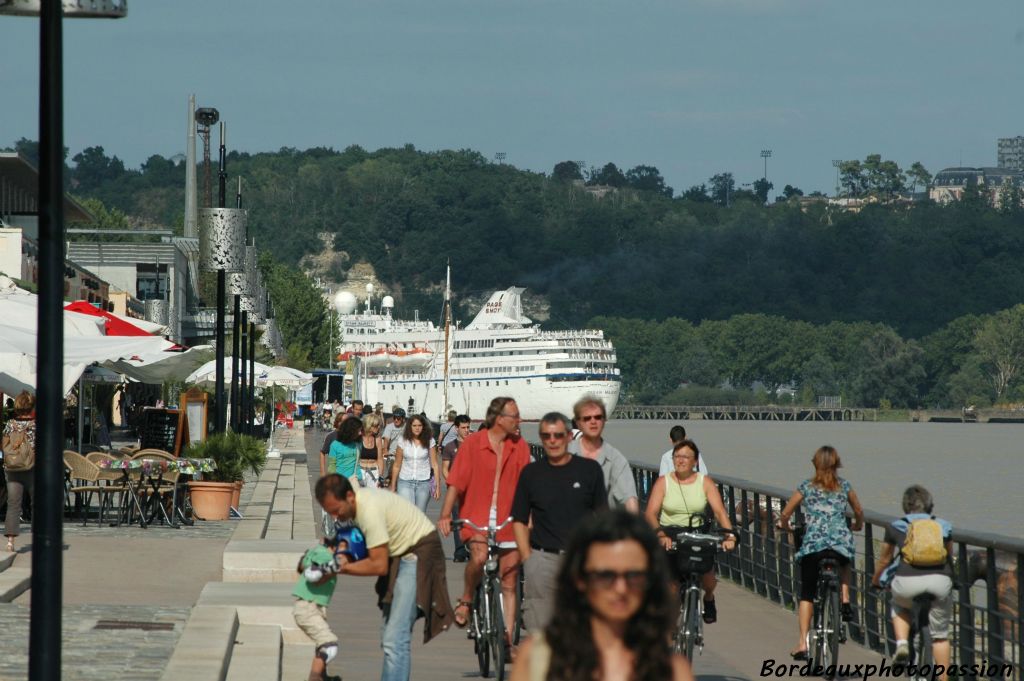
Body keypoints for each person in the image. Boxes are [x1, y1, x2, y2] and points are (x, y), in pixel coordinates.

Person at [510, 509, 694, 681]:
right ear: (580, 579)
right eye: (606, 576)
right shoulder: (536, 659)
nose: (621, 588)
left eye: (633, 576)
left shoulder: (672, 671)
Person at [315, 474, 454, 681]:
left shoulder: (369, 510)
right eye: (330, 512)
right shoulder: (358, 505)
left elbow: (378, 565)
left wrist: (338, 568)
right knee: (389, 634)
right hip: (399, 555)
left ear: (350, 496)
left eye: (336, 510)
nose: (336, 517)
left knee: (395, 638)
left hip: (418, 553)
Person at [437, 397, 530, 645]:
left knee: (510, 578)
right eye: (515, 416)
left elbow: (527, 485)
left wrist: (531, 517)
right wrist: (445, 514)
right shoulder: (473, 445)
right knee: (478, 558)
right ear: (499, 419)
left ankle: (508, 639)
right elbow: (456, 481)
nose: (519, 421)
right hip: (476, 514)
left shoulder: (520, 446)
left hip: (509, 518)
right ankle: (467, 599)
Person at [512, 412, 607, 631]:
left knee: (581, 629)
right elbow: (518, 519)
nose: (552, 441)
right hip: (542, 558)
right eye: (546, 436)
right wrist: (528, 558)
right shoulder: (531, 473)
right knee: (541, 633)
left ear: (568, 437)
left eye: (557, 435)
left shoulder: (589, 471)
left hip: (579, 559)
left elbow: (602, 518)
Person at [777, 445, 864, 660]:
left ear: (815, 464)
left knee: (807, 593)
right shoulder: (844, 486)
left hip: (814, 544)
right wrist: (858, 525)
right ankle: (844, 598)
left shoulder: (806, 486)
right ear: (837, 464)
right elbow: (859, 511)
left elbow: (786, 513)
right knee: (845, 559)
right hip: (839, 540)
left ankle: (802, 643)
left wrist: (786, 525)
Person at [643, 439, 736, 625]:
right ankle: (671, 629)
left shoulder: (705, 482)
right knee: (671, 588)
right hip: (671, 534)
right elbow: (651, 513)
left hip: (698, 533)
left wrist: (730, 535)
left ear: (695, 461)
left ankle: (708, 598)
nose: (681, 460)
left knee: (708, 578)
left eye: (686, 457)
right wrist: (661, 535)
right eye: (677, 456)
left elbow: (719, 511)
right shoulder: (663, 482)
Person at [871, 485, 953, 677]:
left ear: (905, 507)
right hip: (939, 582)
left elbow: (884, 560)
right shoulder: (944, 525)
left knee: (898, 606)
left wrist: (876, 581)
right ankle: (944, 677)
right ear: (930, 506)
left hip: (906, 582)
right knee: (940, 637)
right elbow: (949, 556)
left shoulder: (896, 526)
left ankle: (901, 645)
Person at [292, 527, 366, 681]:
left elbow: (303, 562)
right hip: (308, 608)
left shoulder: (320, 551)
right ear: (341, 547)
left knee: (321, 642)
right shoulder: (326, 557)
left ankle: (323, 676)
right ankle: (315, 677)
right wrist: (329, 567)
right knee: (329, 644)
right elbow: (310, 572)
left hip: (310, 607)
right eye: (349, 557)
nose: (348, 562)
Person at [567, 396, 638, 512]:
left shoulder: (616, 460)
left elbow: (630, 500)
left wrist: (633, 526)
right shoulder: (566, 454)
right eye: (587, 418)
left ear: (604, 421)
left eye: (598, 417)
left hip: (602, 527)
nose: (593, 421)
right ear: (578, 423)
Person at [2, 390, 35, 553]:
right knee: (37, 503)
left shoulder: (10, 424)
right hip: (31, 468)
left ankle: (10, 541)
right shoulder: (35, 425)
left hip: (12, 468)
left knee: (13, 504)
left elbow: (4, 443)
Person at [389, 414, 439, 511]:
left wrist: (437, 486)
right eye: (414, 426)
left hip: (424, 482)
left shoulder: (430, 441)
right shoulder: (403, 441)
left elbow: (435, 464)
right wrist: (393, 485)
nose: (417, 428)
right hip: (405, 481)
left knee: (420, 514)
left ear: (423, 427)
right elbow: (396, 465)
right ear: (409, 427)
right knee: (408, 512)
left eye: (420, 425)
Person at [440, 414, 472, 562]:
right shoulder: (450, 447)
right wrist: (452, 483)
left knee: (473, 520)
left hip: (473, 490)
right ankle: (460, 551)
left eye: (468, 427)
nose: (466, 430)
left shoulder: (474, 444)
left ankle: (472, 548)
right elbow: (445, 469)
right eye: (463, 428)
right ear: (456, 428)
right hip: (456, 490)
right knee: (457, 519)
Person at [329, 417, 364, 483]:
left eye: (361, 430)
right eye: (358, 431)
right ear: (351, 431)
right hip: (340, 482)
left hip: (356, 480)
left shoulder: (358, 443)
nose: (360, 433)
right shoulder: (335, 445)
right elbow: (332, 466)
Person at [360, 412, 386, 486]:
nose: (379, 427)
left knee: (373, 497)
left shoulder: (377, 439)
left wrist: (380, 476)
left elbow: (380, 459)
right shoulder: (358, 438)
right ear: (370, 426)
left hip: (374, 472)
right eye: (376, 426)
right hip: (360, 471)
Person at [319, 412, 346, 477]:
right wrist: (322, 472)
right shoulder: (331, 436)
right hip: (335, 472)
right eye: (343, 421)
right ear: (337, 422)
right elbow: (322, 453)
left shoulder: (352, 436)